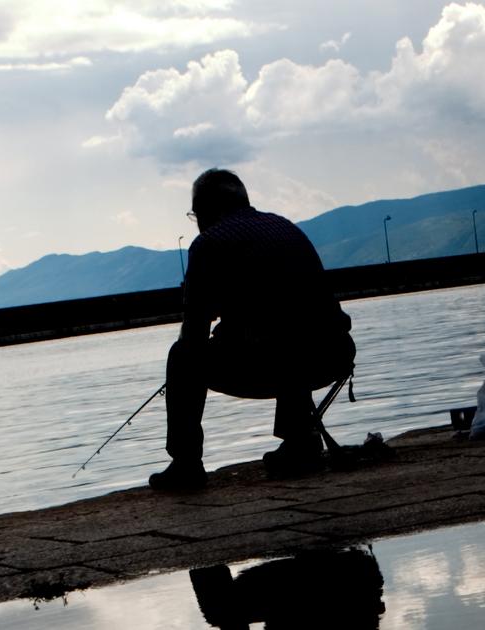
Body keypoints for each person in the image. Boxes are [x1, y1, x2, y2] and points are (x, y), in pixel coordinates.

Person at [149, 168, 356, 490]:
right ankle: (300, 440)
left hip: (277, 361)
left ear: (204, 211)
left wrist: (199, 297)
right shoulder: (284, 227)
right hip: (334, 353)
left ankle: (186, 462)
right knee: (290, 334)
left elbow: (193, 335)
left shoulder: (208, 244)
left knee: (182, 358)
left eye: (195, 214)